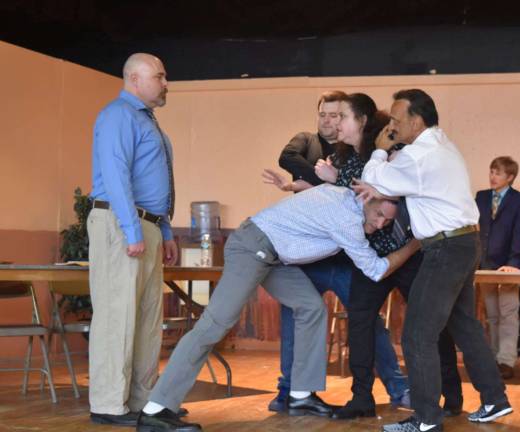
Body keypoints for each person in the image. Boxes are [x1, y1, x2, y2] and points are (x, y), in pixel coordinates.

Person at [135, 184, 421, 431]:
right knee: (215, 324)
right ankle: (156, 409)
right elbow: (375, 269)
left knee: (311, 307)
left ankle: (300, 395)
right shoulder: (347, 218)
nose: (382, 223)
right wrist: (414, 245)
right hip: (253, 248)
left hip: (274, 256)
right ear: (366, 199)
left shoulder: (344, 195)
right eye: (379, 214)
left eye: (388, 219)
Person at [354, 89, 513, 431]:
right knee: (465, 326)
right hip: (465, 243)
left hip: (445, 249)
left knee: (416, 335)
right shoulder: (441, 144)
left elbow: (374, 180)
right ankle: (495, 400)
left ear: (416, 120)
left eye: (396, 120)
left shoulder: (418, 156)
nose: (392, 127)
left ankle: (425, 419)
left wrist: (380, 150)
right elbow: (396, 183)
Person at [263, 92, 411, 412]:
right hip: (312, 256)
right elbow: (288, 159)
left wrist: (327, 179)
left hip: (350, 257)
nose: (331, 121)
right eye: (326, 115)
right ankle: (288, 389)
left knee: (367, 321)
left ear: (357, 120)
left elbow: (364, 194)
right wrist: (310, 182)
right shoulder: (309, 143)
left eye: (338, 115)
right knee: (295, 315)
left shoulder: (368, 151)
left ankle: (398, 387)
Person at [87, 53, 179, 427]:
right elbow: (115, 173)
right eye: (159, 76)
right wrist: (131, 229)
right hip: (123, 223)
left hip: (150, 225)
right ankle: (108, 404)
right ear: (134, 78)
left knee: (145, 318)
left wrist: (166, 231)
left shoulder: (148, 122)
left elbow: (158, 183)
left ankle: (142, 400)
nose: (165, 82)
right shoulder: (117, 115)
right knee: (116, 315)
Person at [475, 156, 520, 379]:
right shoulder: (481, 197)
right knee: (492, 314)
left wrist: (513, 263)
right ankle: (495, 357)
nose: (492, 177)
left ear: (510, 177)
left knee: (508, 312)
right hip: (485, 264)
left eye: (498, 173)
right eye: (491, 171)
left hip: (510, 265)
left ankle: (507, 360)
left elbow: (519, 234)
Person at [276, 90, 347, 192]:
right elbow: (287, 157)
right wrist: (323, 178)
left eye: (333, 115)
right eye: (322, 115)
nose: (326, 120)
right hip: (304, 206)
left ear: (344, 117)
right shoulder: (305, 138)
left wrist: (307, 184)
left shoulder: (352, 148)